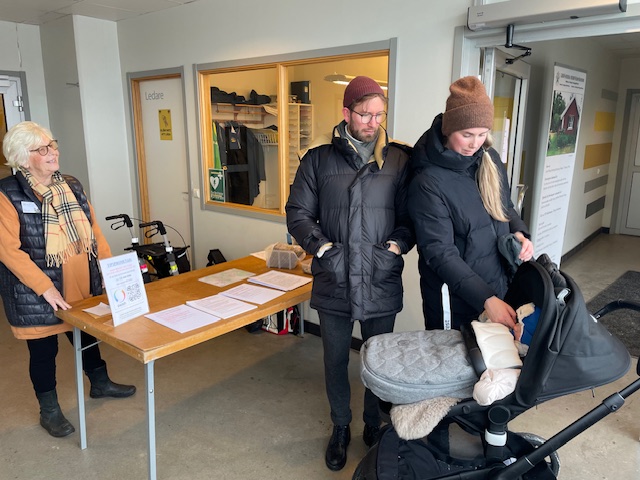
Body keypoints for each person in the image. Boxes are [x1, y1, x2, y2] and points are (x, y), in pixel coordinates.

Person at [286, 76, 415, 471]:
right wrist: (324, 249)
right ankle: (340, 426)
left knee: (378, 360)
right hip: (335, 278)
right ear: (346, 113)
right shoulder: (317, 160)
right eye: (364, 114)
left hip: (379, 276)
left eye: (379, 115)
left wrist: (395, 247)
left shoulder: (399, 160)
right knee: (335, 359)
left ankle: (373, 423)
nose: (373, 122)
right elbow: (298, 213)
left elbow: (412, 217)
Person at [0, 121, 136, 438]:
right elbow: (8, 250)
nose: (53, 153)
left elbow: (94, 230)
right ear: (22, 158)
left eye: (53, 145)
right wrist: (45, 288)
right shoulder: (7, 194)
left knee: (87, 338)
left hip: (81, 285)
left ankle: (100, 383)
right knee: (44, 354)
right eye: (42, 149)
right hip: (38, 294)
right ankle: (49, 411)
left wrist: (110, 270)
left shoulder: (71, 185)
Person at [408, 76, 534, 332]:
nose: (475, 143)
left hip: (496, 286)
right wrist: (486, 299)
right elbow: (440, 253)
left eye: (482, 134)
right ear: (448, 130)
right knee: (455, 357)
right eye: (466, 135)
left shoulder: (489, 159)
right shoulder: (428, 181)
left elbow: (504, 206)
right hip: (453, 300)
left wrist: (519, 233)